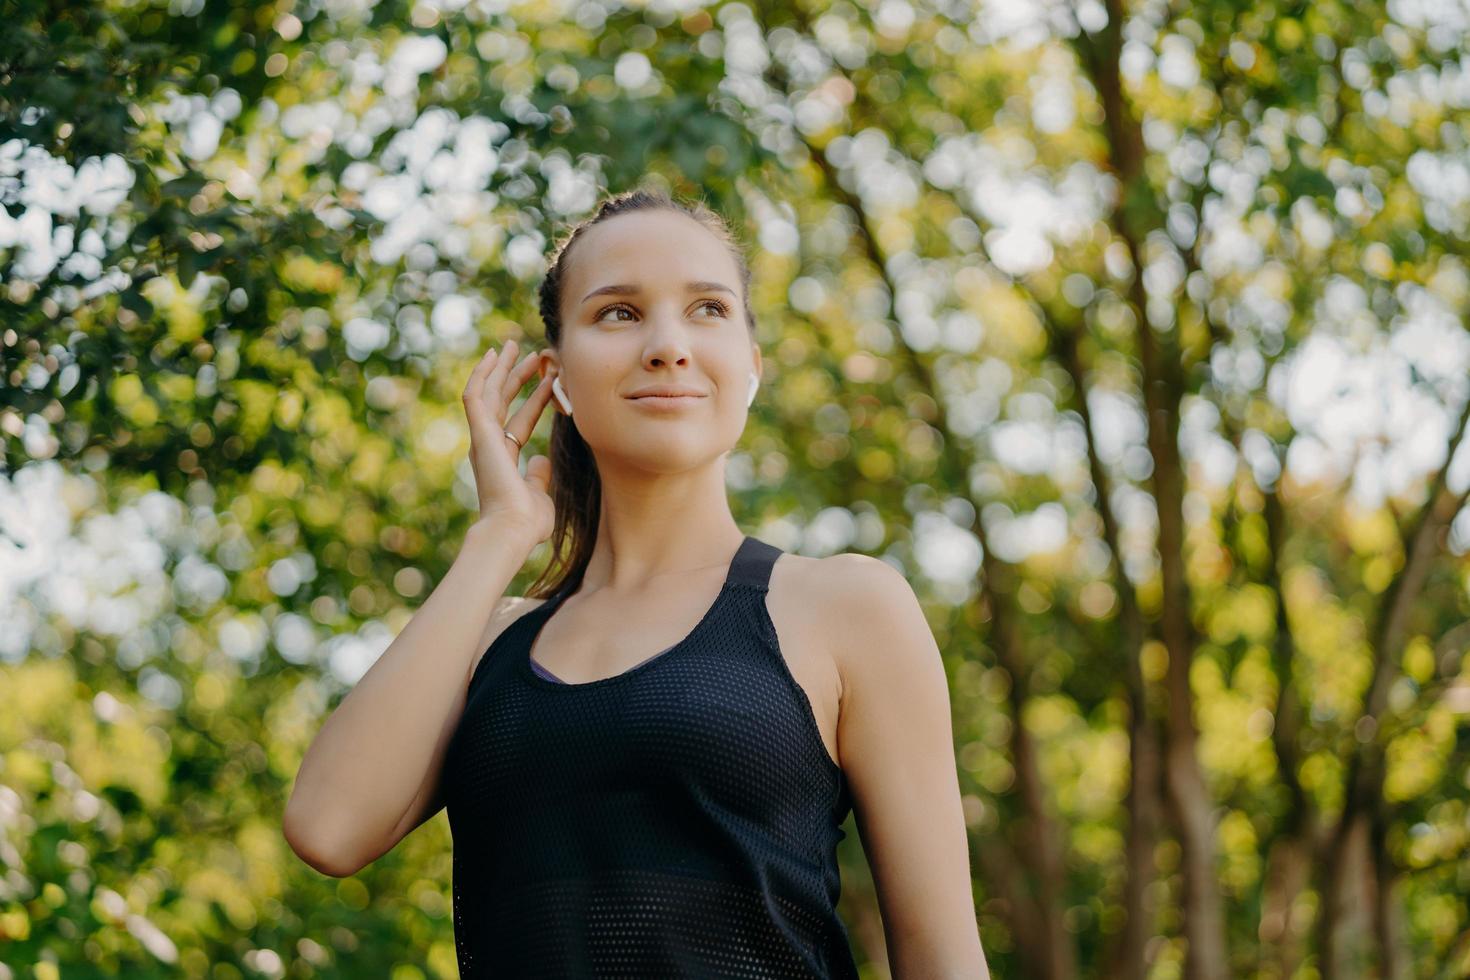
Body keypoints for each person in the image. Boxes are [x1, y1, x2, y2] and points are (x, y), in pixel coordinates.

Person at [283, 188, 988, 977]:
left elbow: (942, 958)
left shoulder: (846, 608)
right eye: (618, 312)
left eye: (708, 310)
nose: (667, 345)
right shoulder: (489, 641)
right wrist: (501, 535)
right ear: (556, 381)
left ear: (750, 369)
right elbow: (329, 828)